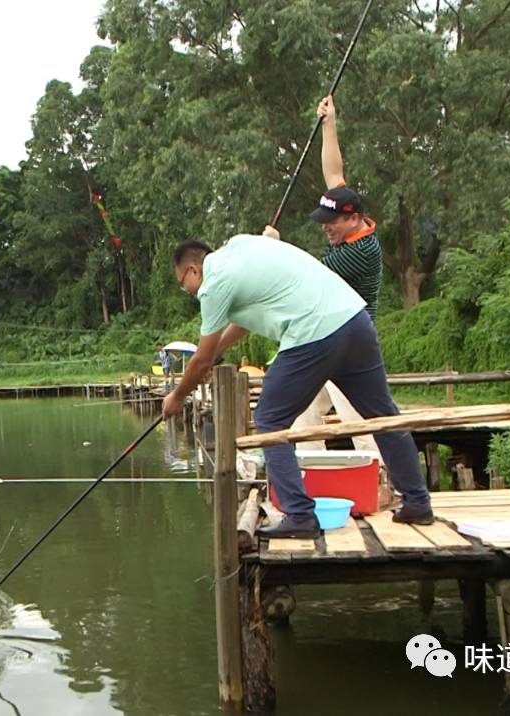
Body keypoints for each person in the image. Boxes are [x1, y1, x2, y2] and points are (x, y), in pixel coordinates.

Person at [161, 227, 432, 538]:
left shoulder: (214, 284)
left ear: (194, 269)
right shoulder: (242, 246)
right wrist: (212, 357)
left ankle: (300, 515)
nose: (189, 291)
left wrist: (178, 396)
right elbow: (240, 323)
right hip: (354, 320)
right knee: (383, 416)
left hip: (314, 332)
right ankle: (418, 503)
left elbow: (200, 359)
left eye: (184, 285)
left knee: (270, 418)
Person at [292, 94, 385, 452]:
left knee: (361, 425)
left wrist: (272, 246)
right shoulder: (352, 226)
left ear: (352, 219)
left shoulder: (360, 252)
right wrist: (330, 125)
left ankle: (380, 483)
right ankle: (305, 479)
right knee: (301, 416)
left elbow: (306, 277)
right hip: (326, 339)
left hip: (351, 348)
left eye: (331, 223)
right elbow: (335, 175)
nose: (324, 229)